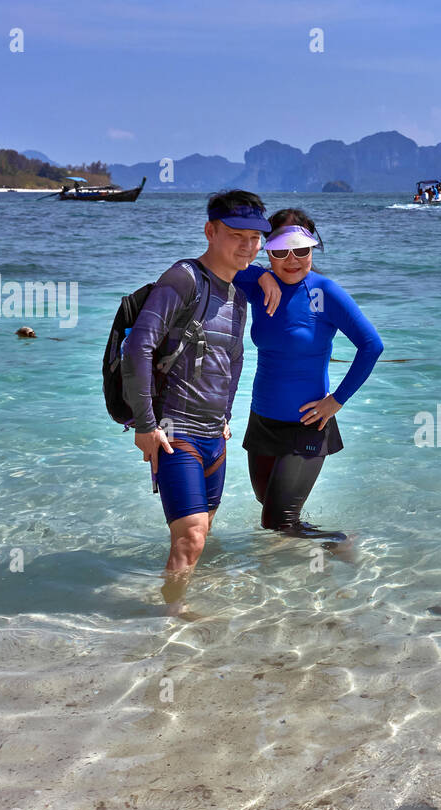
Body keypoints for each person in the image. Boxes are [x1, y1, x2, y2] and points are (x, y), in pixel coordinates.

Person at [121, 190, 278, 607]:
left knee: (200, 531)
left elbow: (234, 359)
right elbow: (138, 347)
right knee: (191, 535)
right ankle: (169, 619)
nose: (248, 245)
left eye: (255, 238)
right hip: (175, 431)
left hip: (214, 436)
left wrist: (225, 416)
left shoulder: (238, 295)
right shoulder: (183, 278)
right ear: (210, 231)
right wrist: (145, 425)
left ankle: (176, 600)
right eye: (237, 235)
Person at [232, 209, 383, 541]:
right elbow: (213, 266)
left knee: (279, 521)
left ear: (312, 248)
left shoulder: (324, 291)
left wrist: (336, 401)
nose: (292, 260)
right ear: (267, 250)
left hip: (307, 425)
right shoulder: (258, 287)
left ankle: (341, 544)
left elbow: (372, 345)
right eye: (281, 252)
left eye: (301, 250)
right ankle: (323, 557)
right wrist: (259, 275)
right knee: (271, 510)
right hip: (262, 420)